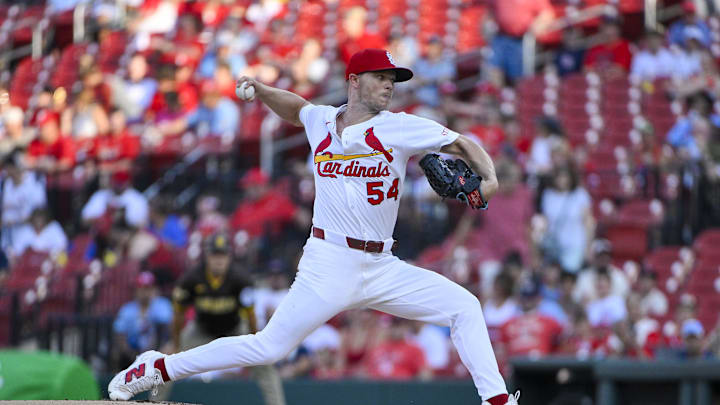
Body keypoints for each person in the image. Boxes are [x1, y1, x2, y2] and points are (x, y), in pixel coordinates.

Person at [109, 48, 518, 405]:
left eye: (392, 79)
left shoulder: (399, 126)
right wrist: (264, 91)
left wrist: (491, 178)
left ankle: (496, 400)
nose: (389, 85)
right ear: (354, 82)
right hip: (329, 261)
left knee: (465, 306)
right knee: (268, 347)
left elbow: (463, 144)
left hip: (383, 265)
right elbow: (297, 108)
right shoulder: (322, 121)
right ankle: (158, 368)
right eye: (381, 77)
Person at [151, 233, 286, 405]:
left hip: (234, 330)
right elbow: (178, 315)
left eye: (223, 255)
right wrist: (176, 345)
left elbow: (250, 316)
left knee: (265, 362)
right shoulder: (192, 278)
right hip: (201, 330)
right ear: (207, 256)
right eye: (215, 255)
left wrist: (254, 345)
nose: (219, 260)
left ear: (229, 256)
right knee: (166, 361)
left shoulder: (240, 279)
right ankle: (153, 402)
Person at [113, 272, 173, 369]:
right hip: (132, 355)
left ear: (154, 289)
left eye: (148, 289)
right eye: (142, 289)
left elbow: (167, 331)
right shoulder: (127, 310)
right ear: (136, 290)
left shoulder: (162, 306)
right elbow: (120, 335)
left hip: (157, 354)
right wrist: (134, 356)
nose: (145, 293)